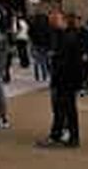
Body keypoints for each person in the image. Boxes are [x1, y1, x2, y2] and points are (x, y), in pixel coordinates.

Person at [36, 9, 83, 149]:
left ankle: (59, 136)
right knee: (65, 110)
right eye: (50, 20)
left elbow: (71, 61)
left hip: (66, 80)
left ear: (62, 19)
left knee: (62, 110)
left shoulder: (69, 36)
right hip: (63, 79)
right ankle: (69, 137)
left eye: (54, 20)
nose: (52, 23)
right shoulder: (61, 35)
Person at [29, 12, 51, 83]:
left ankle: (37, 76)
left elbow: (30, 33)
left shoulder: (33, 25)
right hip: (44, 45)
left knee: (36, 62)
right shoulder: (47, 26)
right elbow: (49, 36)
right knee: (44, 61)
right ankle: (44, 76)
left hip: (35, 44)